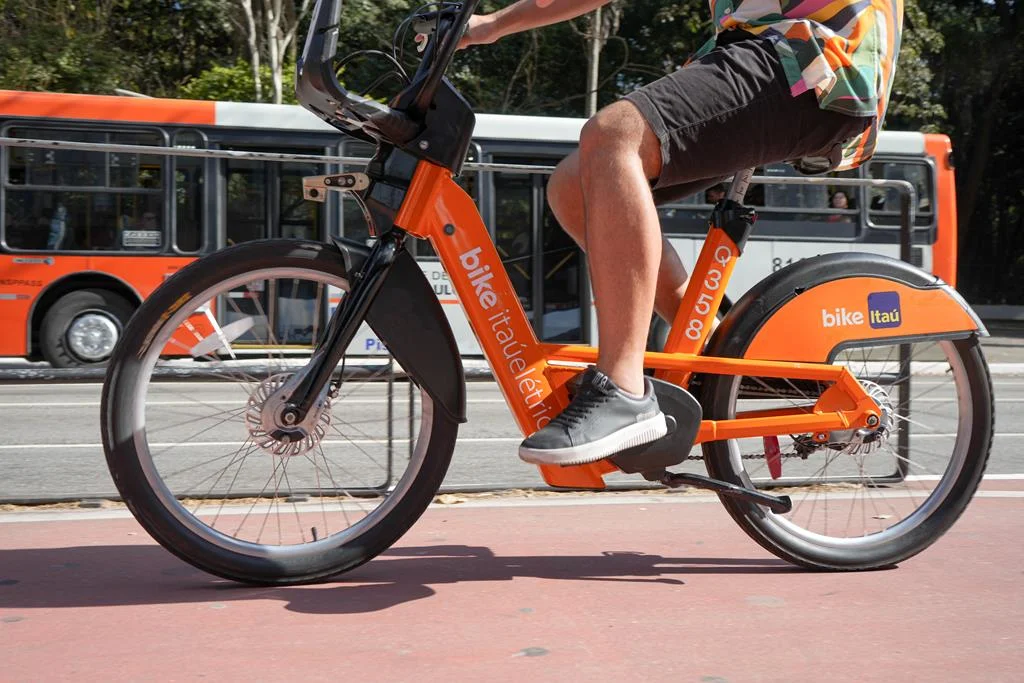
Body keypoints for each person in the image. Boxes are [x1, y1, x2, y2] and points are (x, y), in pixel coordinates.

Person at [459, 1, 904, 466]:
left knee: (615, 134)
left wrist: (492, 24)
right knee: (573, 187)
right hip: (760, 51)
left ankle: (624, 389)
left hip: (815, 57)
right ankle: (720, 354)